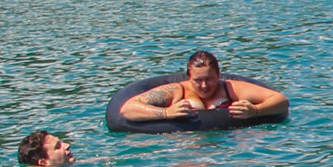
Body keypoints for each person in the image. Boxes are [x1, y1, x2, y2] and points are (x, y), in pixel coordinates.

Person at [118, 50, 287, 123]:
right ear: (188, 77)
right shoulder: (176, 90)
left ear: (219, 76)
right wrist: (166, 113)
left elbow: (281, 100)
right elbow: (128, 109)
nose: (204, 85)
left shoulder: (230, 88)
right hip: (187, 149)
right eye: (198, 80)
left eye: (210, 79)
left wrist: (256, 111)